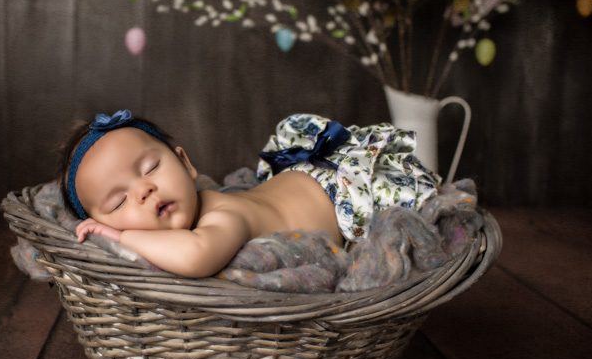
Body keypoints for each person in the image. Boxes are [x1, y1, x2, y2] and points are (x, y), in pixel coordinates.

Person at [58, 109, 440, 278]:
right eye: (118, 202)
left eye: (151, 168)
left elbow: (195, 257)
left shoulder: (222, 217)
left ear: (186, 164)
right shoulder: (207, 209)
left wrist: (122, 235)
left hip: (347, 192)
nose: (143, 189)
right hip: (300, 180)